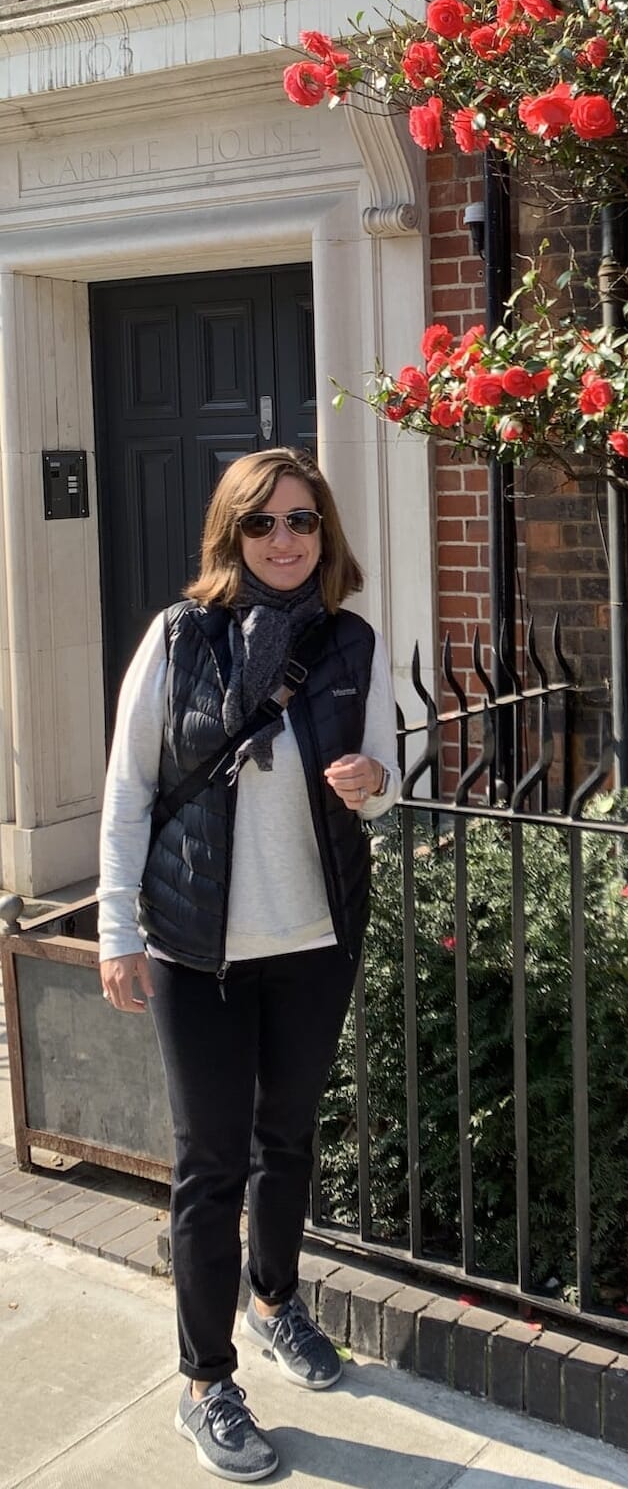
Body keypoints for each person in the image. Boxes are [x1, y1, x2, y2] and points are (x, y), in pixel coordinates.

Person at [98, 448, 399, 1483]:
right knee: (208, 1166)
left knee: (290, 1141)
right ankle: (205, 1381)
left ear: (326, 535)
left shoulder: (349, 641)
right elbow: (131, 789)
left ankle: (276, 1304)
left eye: (303, 522)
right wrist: (116, 931)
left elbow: (385, 775)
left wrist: (375, 781)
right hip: (198, 949)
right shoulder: (179, 640)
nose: (286, 540)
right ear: (231, 535)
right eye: (264, 523)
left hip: (313, 941)